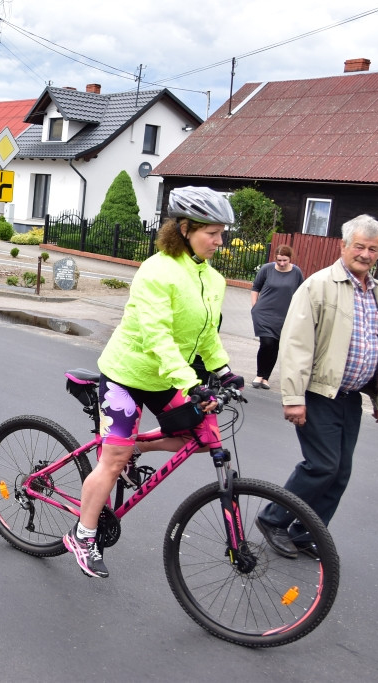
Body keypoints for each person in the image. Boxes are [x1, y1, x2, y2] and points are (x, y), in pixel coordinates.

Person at [64, 186, 244, 578]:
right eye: (211, 232)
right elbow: (157, 337)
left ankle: (134, 449)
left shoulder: (212, 279)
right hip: (127, 374)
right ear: (184, 229)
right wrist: (190, 382)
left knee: (199, 436)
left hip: (167, 376)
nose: (219, 240)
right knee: (111, 460)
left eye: (221, 232)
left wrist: (223, 369)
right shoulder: (157, 270)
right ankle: (82, 534)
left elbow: (207, 333)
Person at [256, 214, 378, 560]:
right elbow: (296, 343)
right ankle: (273, 519)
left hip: (350, 397)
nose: (365, 254)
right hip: (319, 392)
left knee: (341, 472)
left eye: (372, 249)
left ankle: (305, 533)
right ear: (344, 246)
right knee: (322, 466)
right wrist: (293, 397)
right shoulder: (318, 285)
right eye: (359, 246)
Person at [250, 245, 303, 389]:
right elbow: (255, 288)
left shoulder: (296, 272)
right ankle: (259, 375)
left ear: (290, 258)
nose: (282, 263)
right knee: (266, 343)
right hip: (264, 313)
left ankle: (266, 378)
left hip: (284, 316)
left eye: (285, 260)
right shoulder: (267, 269)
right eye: (279, 260)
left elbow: (301, 294)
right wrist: (254, 307)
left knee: (275, 346)